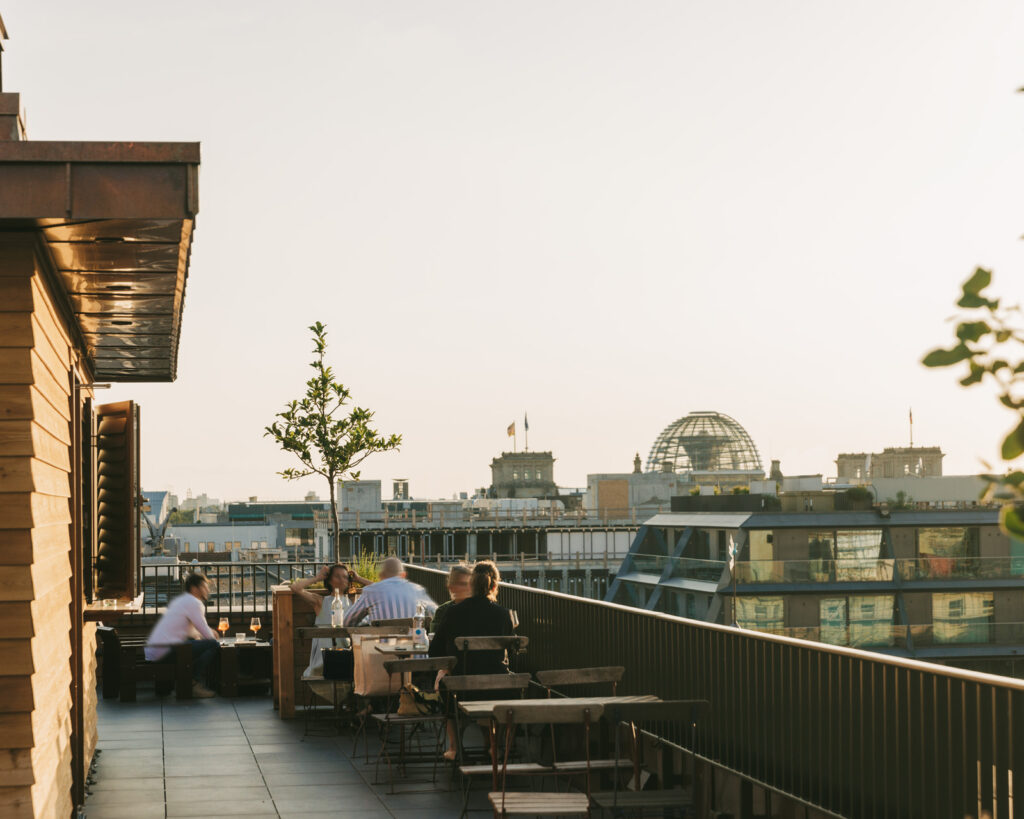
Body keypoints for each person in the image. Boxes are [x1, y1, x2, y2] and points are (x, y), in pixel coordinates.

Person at [429, 560, 515, 759]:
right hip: (498, 689)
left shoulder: (453, 612)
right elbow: (509, 652)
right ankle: (496, 746)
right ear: (494, 586)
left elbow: (435, 652)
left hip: (463, 689)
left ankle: (455, 748)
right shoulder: (503, 615)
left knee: (445, 684)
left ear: (472, 584)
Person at [145, 573, 220, 698]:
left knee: (195, 643)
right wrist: (212, 634)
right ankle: (192, 682)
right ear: (194, 588)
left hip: (158, 650)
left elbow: (190, 631)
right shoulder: (194, 603)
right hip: (167, 651)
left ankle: (188, 681)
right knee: (213, 645)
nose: (207, 590)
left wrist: (206, 633)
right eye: (204, 587)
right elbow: (207, 635)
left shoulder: (182, 600)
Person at [291, 563, 363, 678]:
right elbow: (295, 588)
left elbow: (380, 591)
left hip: (346, 656)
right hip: (323, 659)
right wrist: (317, 578)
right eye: (337, 576)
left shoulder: (353, 602)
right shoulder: (321, 601)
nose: (342, 580)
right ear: (329, 580)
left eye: (345, 577)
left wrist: (359, 579)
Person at [343, 556, 436, 626]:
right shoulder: (418, 590)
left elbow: (348, 621)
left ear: (381, 575)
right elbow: (437, 614)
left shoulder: (371, 592)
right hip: (414, 648)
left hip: (378, 650)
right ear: (403, 575)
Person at [430, 564, 473, 635]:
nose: (469, 588)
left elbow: (434, 639)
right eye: (463, 584)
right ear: (450, 586)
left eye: (471, 584)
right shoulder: (442, 610)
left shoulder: (443, 610)